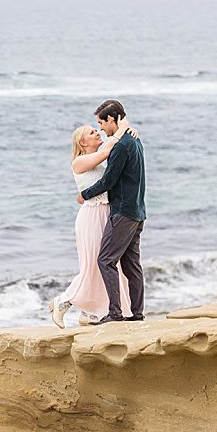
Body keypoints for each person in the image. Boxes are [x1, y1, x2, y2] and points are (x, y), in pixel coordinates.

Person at [48, 119, 135, 328]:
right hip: (92, 216)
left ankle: (91, 313)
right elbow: (106, 151)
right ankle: (63, 301)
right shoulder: (79, 161)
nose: (97, 132)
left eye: (96, 129)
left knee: (108, 266)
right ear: (82, 143)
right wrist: (121, 130)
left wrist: (130, 130)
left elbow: (108, 154)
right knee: (93, 265)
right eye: (91, 132)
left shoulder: (99, 158)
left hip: (108, 214)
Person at [77, 99, 146, 323]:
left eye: (101, 123)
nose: (101, 129)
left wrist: (84, 195)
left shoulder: (122, 145)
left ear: (112, 119)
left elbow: (108, 181)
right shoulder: (134, 141)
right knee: (131, 265)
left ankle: (115, 313)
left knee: (105, 260)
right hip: (137, 211)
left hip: (123, 212)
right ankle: (137, 314)